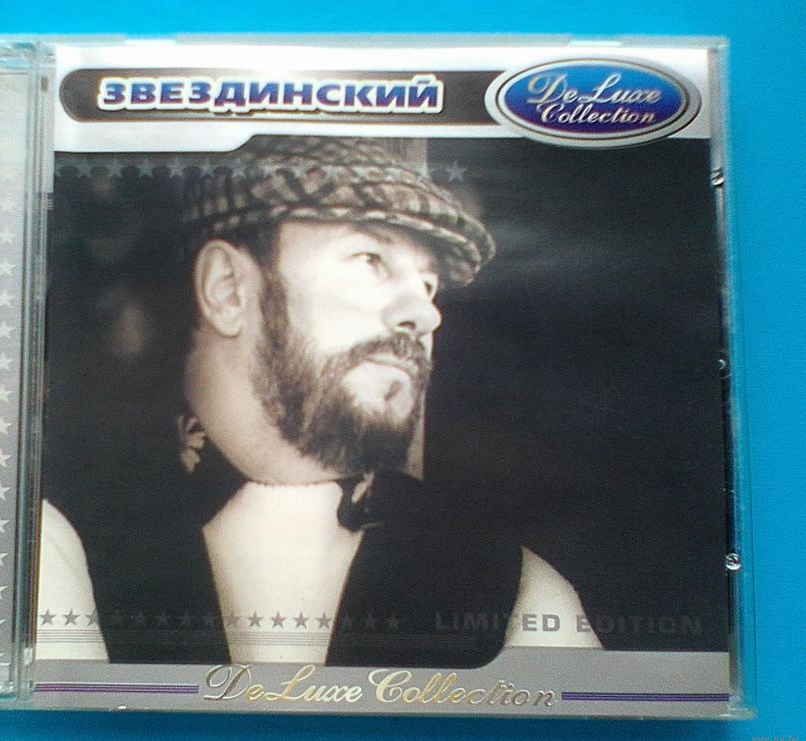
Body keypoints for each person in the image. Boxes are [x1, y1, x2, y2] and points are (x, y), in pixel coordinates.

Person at [36, 136, 601, 665]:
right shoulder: (52, 531)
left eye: (428, 285)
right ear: (228, 290)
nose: (426, 314)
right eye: (370, 260)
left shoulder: (515, 584)